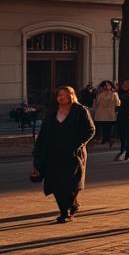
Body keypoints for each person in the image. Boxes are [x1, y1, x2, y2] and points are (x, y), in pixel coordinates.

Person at [31, 86, 95, 223]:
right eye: (59, 95)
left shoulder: (80, 111)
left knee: (71, 183)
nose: (61, 97)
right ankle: (64, 211)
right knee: (55, 183)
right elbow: (43, 134)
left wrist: (77, 144)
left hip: (73, 153)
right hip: (53, 153)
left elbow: (90, 130)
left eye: (65, 94)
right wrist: (37, 153)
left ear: (72, 95)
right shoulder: (52, 112)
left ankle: (72, 204)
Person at [92, 80, 120, 147]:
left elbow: (96, 104)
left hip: (106, 113)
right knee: (106, 127)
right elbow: (117, 104)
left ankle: (105, 139)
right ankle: (107, 139)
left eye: (108, 85)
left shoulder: (101, 94)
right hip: (106, 113)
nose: (107, 86)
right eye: (105, 85)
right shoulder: (112, 94)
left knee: (106, 127)